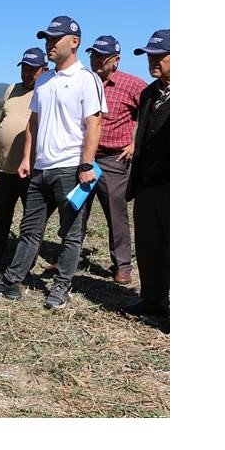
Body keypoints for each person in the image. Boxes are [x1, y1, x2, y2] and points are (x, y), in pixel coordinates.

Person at [0, 16, 106, 310]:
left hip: (71, 170)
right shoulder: (44, 80)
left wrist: (86, 165)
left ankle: (60, 287)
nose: (48, 44)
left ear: (74, 42)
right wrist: (26, 159)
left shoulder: (87, 80)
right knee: (30, 229)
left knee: (71, 233)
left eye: (54, 39)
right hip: (40, 169)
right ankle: (11, 281)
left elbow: (94, 124)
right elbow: (33, 123)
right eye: (46, 39)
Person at [0, 47, 48, 274]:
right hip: (4, 168)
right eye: (24, 68)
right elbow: (4, 120)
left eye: (32, 69)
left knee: (31, 223)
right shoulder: (11, 90)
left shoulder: (48, 91)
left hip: (32, 170)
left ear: (44, 69)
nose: (27, 73)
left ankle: (24, 265)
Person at [81, 35, 148, 283]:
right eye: (93, 55)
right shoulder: (85, 82)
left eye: (102, 56)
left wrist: (135, 143)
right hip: (85, 158)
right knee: (76, 209)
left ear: (116, 60)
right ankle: (70, 256)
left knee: (116, 214)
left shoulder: (132, 85)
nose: (96, 60)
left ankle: (123, 265)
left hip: (113, 160)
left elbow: (152, 111)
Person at [125, 29, 170, 320]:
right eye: (149, 56)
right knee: (149, 242)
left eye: (159, 55)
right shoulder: (148, 93)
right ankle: (152, 298)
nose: (152, 61)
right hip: (147, 182)